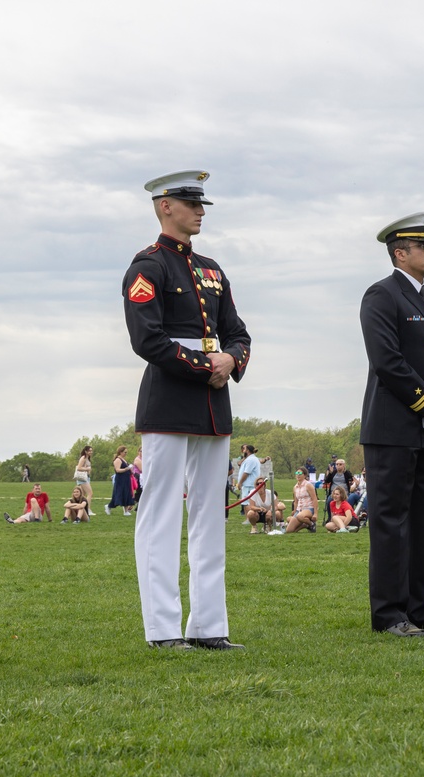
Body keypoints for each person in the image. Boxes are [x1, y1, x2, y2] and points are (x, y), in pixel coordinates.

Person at [122, 169, 251, 651]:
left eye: (201, 204)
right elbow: (147, 339)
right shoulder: (147, 266)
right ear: (164, 207)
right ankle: (163, 629)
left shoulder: (213, 269)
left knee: (208, 516)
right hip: (170, 398)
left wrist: (231, 358)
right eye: (190, 203)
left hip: (214, 402)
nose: (200, 210)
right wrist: (207, 365)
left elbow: (238, 331)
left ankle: (208, 626)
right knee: (159, 515)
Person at [361, 212, 424, 637]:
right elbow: (387, 360)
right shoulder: (381, 296)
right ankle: (389, 614)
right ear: (399, 252)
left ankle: (421, 608)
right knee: (391, 521)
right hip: (394, 427)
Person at [323, 458, 357, 522]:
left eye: (340, 464)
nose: (338, 466)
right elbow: (327, 481)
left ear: (344, 465)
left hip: (344, 493)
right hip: (334, 492)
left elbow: (351, 481)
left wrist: (354, 484)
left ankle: (346, 517)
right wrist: (330, 473)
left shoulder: (347, 473)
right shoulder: (333, 473)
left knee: (346, 500)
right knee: (329, 500)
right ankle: (330, 518)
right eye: (337, 464)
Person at [105, 445, 135, 516]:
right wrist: (126, 469)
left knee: (126, 494)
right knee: (118, 495)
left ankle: (126, 511)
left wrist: (130, 469)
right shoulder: (118, 460)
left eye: (126, 452)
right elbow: (118, 470)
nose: (126, 454)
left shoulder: (124, 459)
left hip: (126, 479)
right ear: (120, 452)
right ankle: (109, 506)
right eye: (125, 452)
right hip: (120, 480)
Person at [236, 444, 262, 523]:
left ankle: (250, 519)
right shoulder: (250, 459)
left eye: (244, 449)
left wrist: (240, 483)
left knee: (247, 503)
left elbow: (246, 472)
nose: (243, 450)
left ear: (247, 450)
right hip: (248, 484)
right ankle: (249, 518)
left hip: (249, 484)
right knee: (246, 502)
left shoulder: (251, 460)